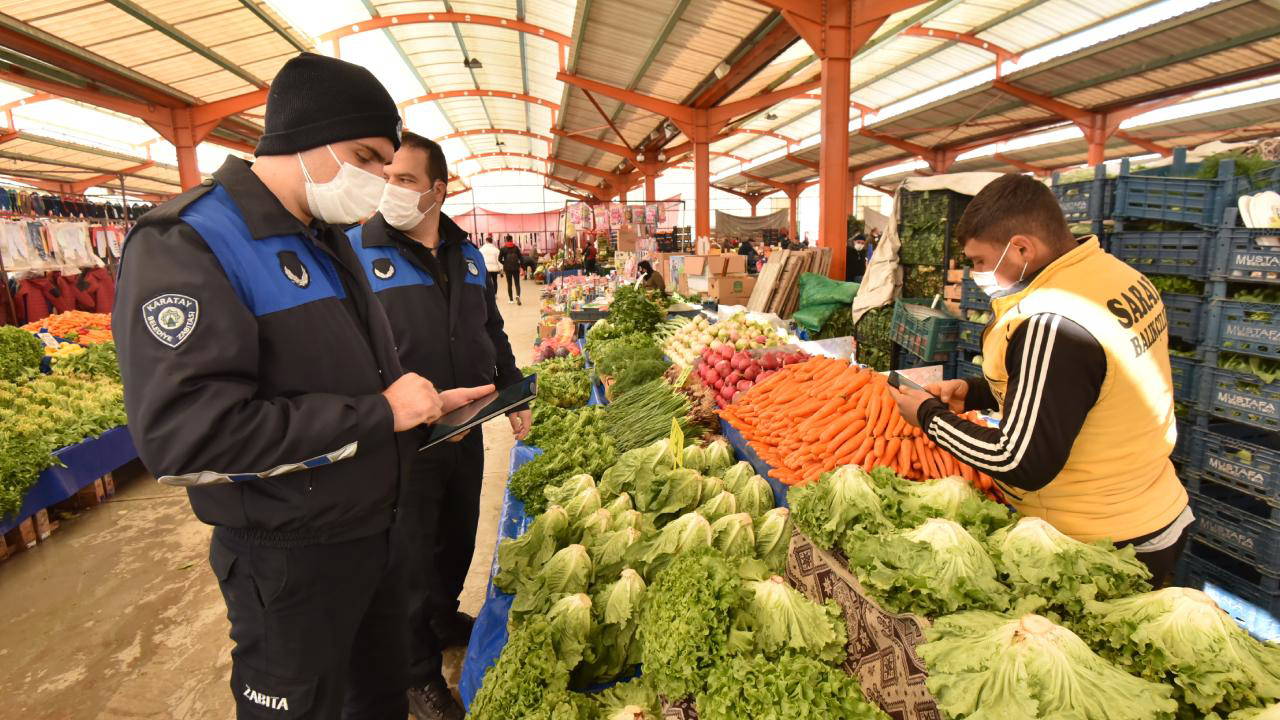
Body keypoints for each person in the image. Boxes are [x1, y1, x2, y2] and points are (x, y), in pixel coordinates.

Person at [112, 52, 494, 719]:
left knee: (375, 700)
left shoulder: (327, 239)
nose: (379, 180)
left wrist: (424, 410)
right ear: (304, 136)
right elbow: (187, 439)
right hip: (290, 562)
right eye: (367, 156)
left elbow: (347, 377)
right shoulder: (191, 240)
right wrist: (379, 414)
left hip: (371, 539)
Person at [888, 174, 1191, 587]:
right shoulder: (1115, 277)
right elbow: (1083, 386)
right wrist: (978, 393)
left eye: (978, 261)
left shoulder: (1053, 320)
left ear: (1022, 248)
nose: (975, 273)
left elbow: (1020, 461)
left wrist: (928, 416)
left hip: (1099, 540)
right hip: (1150, 505)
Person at [347, 132, 527, 720]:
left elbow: (491, 328)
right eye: (386, 177)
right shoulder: (353, 252)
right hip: (402, 444)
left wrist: (512, 388)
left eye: (404, 180)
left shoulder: (467, 254)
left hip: (466, 428)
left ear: (437, 190)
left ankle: (445, 614)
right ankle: (416, 674)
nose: (390, 189)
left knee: (458, 536)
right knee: (408, 561)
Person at [498, 235, 522, 304]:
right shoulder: (516, 248)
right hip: (515, 267)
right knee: (517, 283)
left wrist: (504, 263)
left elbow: (499, 259)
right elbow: (521, 258)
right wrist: (520, 266)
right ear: (512, 239)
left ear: (506, 240)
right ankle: (518, 296)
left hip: (507, 268)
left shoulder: (503, 248)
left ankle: (511, 300)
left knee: (509, 284)